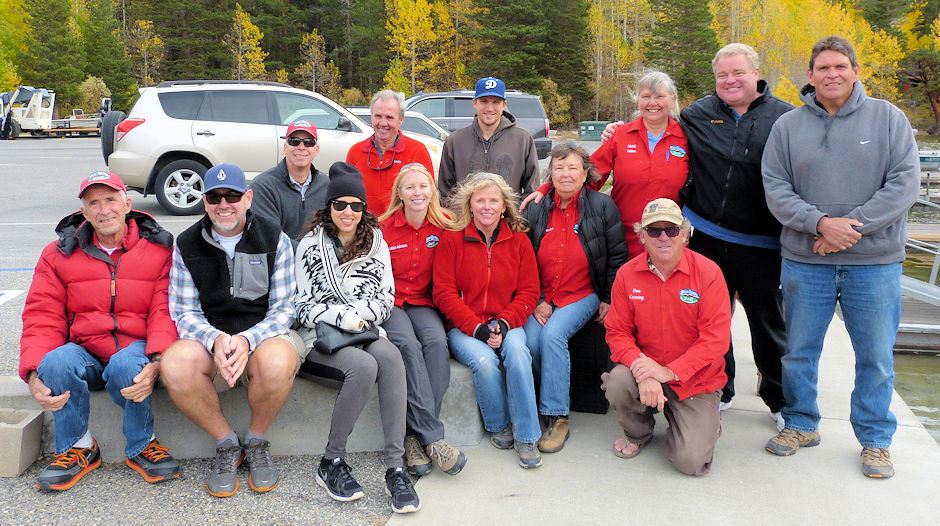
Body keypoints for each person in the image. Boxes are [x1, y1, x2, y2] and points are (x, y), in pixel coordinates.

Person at [600, 44, 792, 425]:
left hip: (760, 241)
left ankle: (778, 399)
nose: (730, 80)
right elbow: (649, 127)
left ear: (756, 71)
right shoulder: (698, 115)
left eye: (737, 73)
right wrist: (616, 129)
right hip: (706, 235)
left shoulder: (785, 117)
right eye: (722, 75)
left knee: (767, 323)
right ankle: (723, 388)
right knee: (708, 320)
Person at [762, 36, 919, 479]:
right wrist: (819, 224)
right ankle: (800, 423)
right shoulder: (787, 127)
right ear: (810, 76)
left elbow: (905, 184)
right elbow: (776, 188)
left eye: (840, 66)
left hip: (875, 263)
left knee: (874, 356)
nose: (832, 75)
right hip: (804, 260)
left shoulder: (889, 118)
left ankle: (874, 440)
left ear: (855, 70)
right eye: (823, 68)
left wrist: (848, 229)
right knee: (798, 351)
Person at [20, 170, 180, 490]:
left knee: (127, 365)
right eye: (93, 203)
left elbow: (166, 310)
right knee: (55, 362)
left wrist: (159, 360)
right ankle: (79, 448)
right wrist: (35, 374)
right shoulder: (58, 254)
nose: (103, 209)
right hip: (87, 349)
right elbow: (42, 316)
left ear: (127, 204)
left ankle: (142, 444)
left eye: (110, 199)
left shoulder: (159, 249)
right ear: (84, 212)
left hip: (136, 346)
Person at [160, 163, 304, 497]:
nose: (224, 204)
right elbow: (183, 310)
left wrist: (245, 339)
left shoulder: (274, 238)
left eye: (233, 196)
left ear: (248, 198)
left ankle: (256, 440)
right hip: (212, 338)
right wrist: (217, 339)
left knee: (278, 362)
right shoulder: (187, 243)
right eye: (215, 197)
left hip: (263, 336)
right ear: (205, 201)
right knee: (175, 365)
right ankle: (226, 443)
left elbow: (284, 308)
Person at [294, 162, 420, 514]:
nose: (348, 212)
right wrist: (340, 316)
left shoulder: (376, 241)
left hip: (364, 330)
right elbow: (300, 306)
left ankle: (395, 467)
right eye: (340, 205)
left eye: (356, 205)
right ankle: (331, 461)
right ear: (329, 207)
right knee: (364, 367)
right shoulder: (309, 247)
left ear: (364, 209)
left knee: (392, 357)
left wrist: (359, 316)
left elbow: (386, 299)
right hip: (320, 339)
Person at [601, 198, 731, 476]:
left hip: (696, 380)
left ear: (685, 234)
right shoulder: (626, 275)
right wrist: (645, 371)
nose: (663, 237)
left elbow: (716, 340)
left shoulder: (709, 274)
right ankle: (637, 433)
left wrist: (668, 372)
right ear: (641, 237)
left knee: (690, 462)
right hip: (647, 368)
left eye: (671, 230)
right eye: (654, 230)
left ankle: (701, 425)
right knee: (618, 382)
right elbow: (617, 331)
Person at [521, 144, 628, 454]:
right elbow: (523, 257)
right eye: (558, 168)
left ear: (585, 174)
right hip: (541, 295)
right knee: (529, 342)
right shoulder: (537, 208)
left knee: (553, 335)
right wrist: (538, 298)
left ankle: (558, 415)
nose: (565, 174)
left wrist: (608, 297)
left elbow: (617, 255)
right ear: (550, 174)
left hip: (582, 294)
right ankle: (542, 401)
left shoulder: (602, 206)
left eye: (572, 168)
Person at [433, 172, 541, 468]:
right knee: (484, 362)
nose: (487, 207)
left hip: (508, 322)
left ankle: (527, 436)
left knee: (519, 354)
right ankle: (498, 425)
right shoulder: (452, 240)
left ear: (504, 206)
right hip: (466, 327)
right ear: (470, 204)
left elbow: (530, 291)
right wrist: (478, 329)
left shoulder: (519, 241)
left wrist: (505, 324)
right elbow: (443, 293)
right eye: (480, 200)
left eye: (494, 200)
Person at [524, 71, 687, 259]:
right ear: (638, 100)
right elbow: (589, 174)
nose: (652, 103)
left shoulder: (687, 137)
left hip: (668, 239)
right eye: (646, 96)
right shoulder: (621, 135)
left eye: (660, 96)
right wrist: (549, 189)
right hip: (623, 238)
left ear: (673, 99)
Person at [378, 163, 467, 477]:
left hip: (425, 302)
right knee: (406, 345)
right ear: (399, 194)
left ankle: (415, 438)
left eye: (423, 186)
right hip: (392, 303)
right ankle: (433, 438)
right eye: (410, 187)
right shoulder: (383, 227)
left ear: (432, 190)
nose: (417, 192)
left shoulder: (447, 225)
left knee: (435, 343)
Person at [437, 77, 539, 201]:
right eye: (484, 101)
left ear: (504, 105)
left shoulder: (523, 140)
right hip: (465, 220)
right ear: (475, 103)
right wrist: (459, 216)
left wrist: (514, 215)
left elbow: (532, 191)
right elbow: (445, 192)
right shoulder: (455, 141)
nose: (490, 108)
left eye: (496, 102)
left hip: (509, 219)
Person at [347, 90, 435, 215]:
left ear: (401, 120)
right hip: (365, 229)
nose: (383, 123)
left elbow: (429, 197)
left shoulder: (417, 151)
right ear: (371, 117)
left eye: (389, 117)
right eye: (378, 116)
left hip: (403, 229)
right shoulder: (355, 152)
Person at [250, 119, 329, 241]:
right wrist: (307, 253)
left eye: (308, 142)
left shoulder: (326, 185)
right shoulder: (263, 186)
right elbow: (270, 236)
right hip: (279, 258)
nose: (301, 147)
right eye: (294, 141)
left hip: (318, 257)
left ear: (316, 150)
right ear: (285, 148)